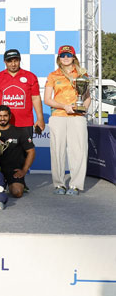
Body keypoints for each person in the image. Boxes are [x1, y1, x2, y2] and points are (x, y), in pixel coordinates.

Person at [44, 45, 90, 196]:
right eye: (62, 55)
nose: (65, 58)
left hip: (77, 117)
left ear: (73, 57)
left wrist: (83, 109)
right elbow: (47, 100)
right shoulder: (53, 75)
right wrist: (64, 106)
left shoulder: (82, 74)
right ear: (59, 58)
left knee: (78, 151)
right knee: (57, 151)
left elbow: (87, 97)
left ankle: (76, 185)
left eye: (68, 55)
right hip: (58, 116)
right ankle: (59, 184)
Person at [0, 49, 45, 138]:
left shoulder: (30, 76)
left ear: (19, 60)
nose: (13, 64)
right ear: (5, 62)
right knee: (3, 147)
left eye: (16, 61)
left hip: (25, 123)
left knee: (26, 147)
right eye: (9, 61)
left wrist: (40, 119)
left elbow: (36, 98)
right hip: (3, 123)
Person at [0, 105, 35, 198]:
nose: (2, 119)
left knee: (17, 192)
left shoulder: (20, 132)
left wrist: (24, 170)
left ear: (10, 116)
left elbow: (31, 152)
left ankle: (14, 183)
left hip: (13, 169)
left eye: (5, 116)